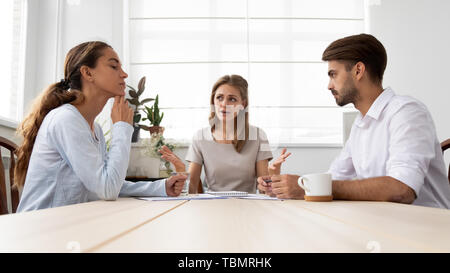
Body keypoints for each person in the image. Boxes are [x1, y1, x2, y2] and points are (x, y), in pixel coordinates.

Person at [257, 34, 450, 209]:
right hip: (386, 225)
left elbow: (401, 189)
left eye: (333, 74)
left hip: (427, 232)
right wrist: (285, 187)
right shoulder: (361, 124)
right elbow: (335, 179)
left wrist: (310, 187)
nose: (329, 85)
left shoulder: (406, 112)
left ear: (358, 71)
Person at [15, 41, 186, 212]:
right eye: (114, 66)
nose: (124, 74)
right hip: (41, 228)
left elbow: (108, 182)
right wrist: (122, 127)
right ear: (87, 72)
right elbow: (107, 189)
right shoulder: (65, 119)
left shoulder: (94, 128)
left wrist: (161, 187)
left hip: (68, 222)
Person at [159, 75, 291, 193]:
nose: (224, 104)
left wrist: (273, 174)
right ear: (213, 101)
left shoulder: (258, 135)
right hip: (212, 207)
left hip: (249, 208)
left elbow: (264, 191)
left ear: (242, 104)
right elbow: (192, 188)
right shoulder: (200, 137)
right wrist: (181, 169)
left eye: (232, 99)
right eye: (219, 98)